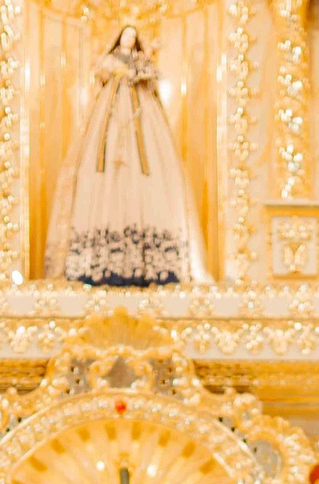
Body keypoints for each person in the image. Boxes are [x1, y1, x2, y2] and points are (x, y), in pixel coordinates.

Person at [43, 25, 202, 287]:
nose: (129, 39)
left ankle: (150, 260)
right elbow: (100, 72)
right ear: (119, 38)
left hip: (141, 122)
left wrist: (140, 70)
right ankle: (99, 259)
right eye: (125, 34)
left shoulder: (141, 63)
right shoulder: (111, 62)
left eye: (132, 36)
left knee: (146, 170)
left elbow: (152, 76)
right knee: (104, 172)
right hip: (111, 121)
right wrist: (120, 74)